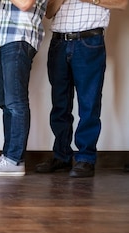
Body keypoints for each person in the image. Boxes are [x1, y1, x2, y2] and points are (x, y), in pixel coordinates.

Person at [36, 0, 127, 178]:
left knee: (89, 104)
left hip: (89, 41)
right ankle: (61, 156)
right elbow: (48, 13)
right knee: (60, 105)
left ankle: (86, 158)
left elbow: (122, 3)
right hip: (59, 42)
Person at [0, 0, 48, 177]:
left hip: (19, 38)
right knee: (6, 103)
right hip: (1, 38)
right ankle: (8, 156)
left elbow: (25, 4)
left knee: (15, 103)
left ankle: (14, 160)